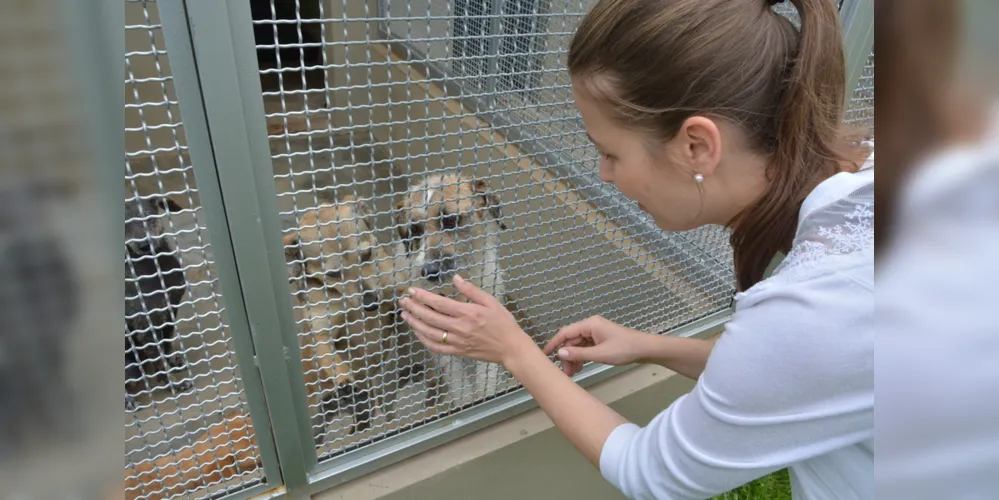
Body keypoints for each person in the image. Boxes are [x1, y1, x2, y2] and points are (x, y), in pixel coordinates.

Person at [398, 0, 874, 498]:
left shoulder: (817, 303)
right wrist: (651, 346)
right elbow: (794, 367)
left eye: (610, 152)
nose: (602, 173)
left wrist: (515, 350)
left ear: (696, 147)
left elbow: (652, 473)